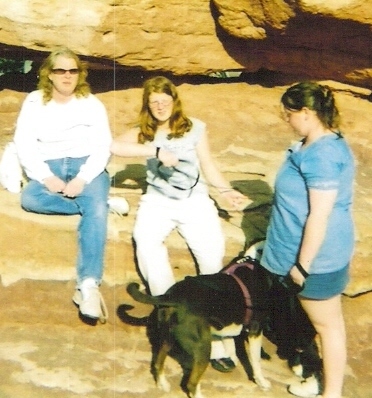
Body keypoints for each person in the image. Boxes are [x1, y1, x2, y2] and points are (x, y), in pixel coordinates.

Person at [111, 75, 247, 371]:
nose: (160, 106)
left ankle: (218, 339)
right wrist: (155, 151)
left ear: (174, 102)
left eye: (165, 100)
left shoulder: (195, 127)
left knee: (211, 259)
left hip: (194, 200)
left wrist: (226, 191)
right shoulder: (144, 132)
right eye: (154, 101)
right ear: (148, 104)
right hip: (158, 201)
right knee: (146, 244)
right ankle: (174, 315)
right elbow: (112, 146)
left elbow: (208, 164)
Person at [260, 82, 355, 398]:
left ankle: (332, 393)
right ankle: (321, 379)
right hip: (314, 256)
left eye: (288, 113)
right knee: (327, 325)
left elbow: (319, 216)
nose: (285, 119)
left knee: (328, 328)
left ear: (306, 112)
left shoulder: (322, 156)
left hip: (316, 261)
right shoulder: (317, 144)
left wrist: (302, 266)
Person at [13, 47, 112, 322]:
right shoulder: (34, 102)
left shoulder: (91, 103)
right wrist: (46, 177)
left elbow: (103, 146)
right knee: (30, 199)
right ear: (49, 74)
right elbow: (24, 143)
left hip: (85, 166)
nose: (67, 76)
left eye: (73, 70)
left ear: (79, 74)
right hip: (51, 165)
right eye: (60, 70)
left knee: (97, 213)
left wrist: (82, 179)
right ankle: (98, 202)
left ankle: (88, 286)